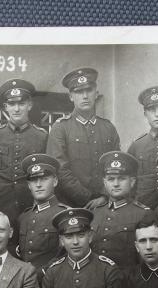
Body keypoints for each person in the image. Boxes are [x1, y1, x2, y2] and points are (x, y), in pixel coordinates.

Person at [47, 67, 120, 208]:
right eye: (79, 92)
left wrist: (104, 196)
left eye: (89, 90)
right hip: (70, 205)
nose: (85, 96)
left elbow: (115, 165)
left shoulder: (108, 128)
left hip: (105, 204)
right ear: (70, 96)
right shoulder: (60, 128)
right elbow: (60, 170)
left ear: (96, 93)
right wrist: (88, 198)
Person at [0, 78, 48, 222]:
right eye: (12, 104)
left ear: (30, 105)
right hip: (0, 204)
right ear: (5, 107)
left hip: (30, 203)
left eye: (21, 103)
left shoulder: (41, 136)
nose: (17, 108)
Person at [90, 151, 155, 271]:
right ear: (104, 182)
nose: (115, 184)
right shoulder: (95, 212)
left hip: (127, 282)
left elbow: (147, 260)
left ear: (132, 182)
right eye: (111, 179)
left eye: (121, 179)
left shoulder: (143, 214)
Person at [16, 154, 68, 275]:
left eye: (44, 179)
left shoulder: (63, 215)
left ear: (55, 181)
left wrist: (42, 273)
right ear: (29, 185)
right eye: (34, 180)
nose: (38, 185)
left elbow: (67, 255)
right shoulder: (23, 217)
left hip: (51, 281)